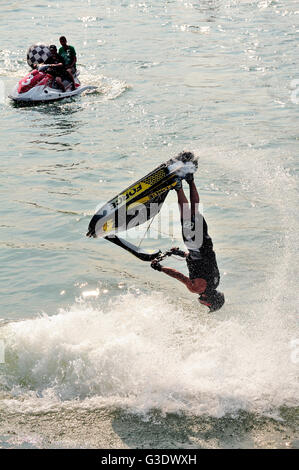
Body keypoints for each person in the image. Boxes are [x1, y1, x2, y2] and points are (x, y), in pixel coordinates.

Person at [151, 152, 225, 312]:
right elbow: (179, 276)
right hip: (195, 245)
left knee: (195, 210)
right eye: (208, 307)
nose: (205, 306)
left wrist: (180, 254)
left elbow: (200, 263)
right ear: (209, 302)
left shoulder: (216, 281)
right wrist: (160, 268)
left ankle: (190, 178)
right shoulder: (197, 289)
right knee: (185, 214)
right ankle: (177, 186)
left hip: (206, 242)